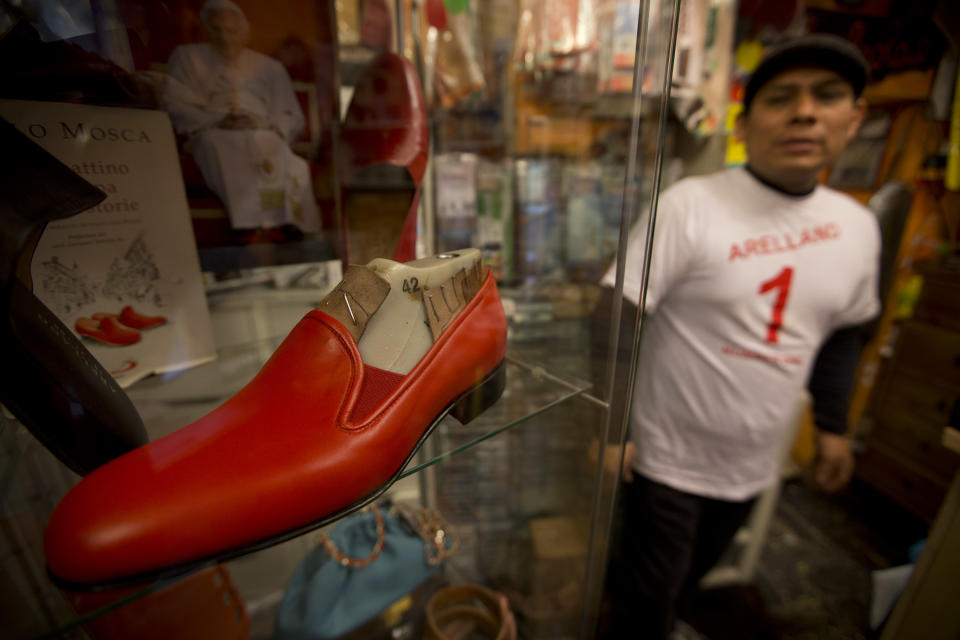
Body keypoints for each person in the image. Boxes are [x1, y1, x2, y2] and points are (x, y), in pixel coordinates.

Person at [597, 34, 879, 639]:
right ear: (745, 125)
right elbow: (616, 311)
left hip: (755, 459)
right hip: (663, 458)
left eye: (827, 97)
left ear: (854, 120)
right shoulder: (692, 205)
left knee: (691, 577)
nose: (804, 112)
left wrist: (833, 428)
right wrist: (611, 429)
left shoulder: (858, 227)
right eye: (782, 99)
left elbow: (844, 333)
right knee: (645, 594)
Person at [163, 0, 320, 234]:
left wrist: (263, 124)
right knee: (217, 143)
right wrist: (217, 120)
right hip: (212, 129)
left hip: (260, 129)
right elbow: (175, 103)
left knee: (271, 146)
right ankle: (246, 225)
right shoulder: (187, 57)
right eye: (218, 30)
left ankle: (285, 223)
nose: (225, 38)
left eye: (232, 31)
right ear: (206, 30)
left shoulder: (269, 67)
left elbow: (287, 113)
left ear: (244, 33)